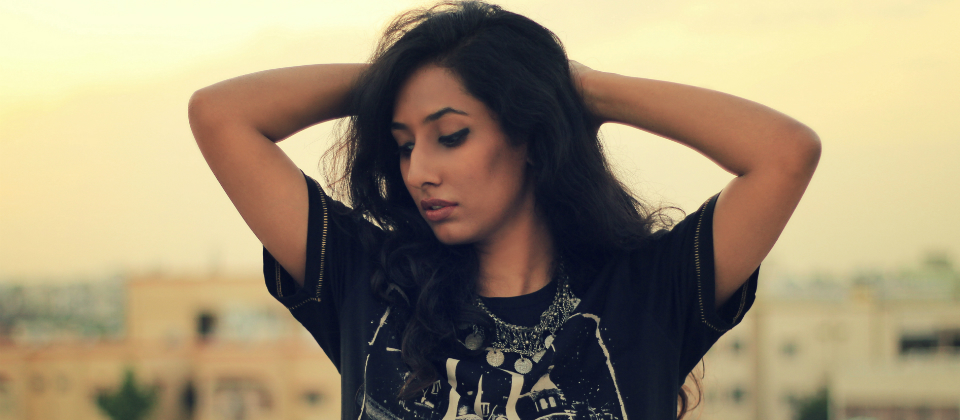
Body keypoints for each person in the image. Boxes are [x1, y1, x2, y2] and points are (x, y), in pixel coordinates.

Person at [188, 1, 820, 419]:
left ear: (531, 136)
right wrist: (401, 78)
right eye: (404, 144)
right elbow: (221, 116)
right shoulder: (371, 285)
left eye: (451, 135)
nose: (418, 170)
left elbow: (785, 153)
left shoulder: (648, 292)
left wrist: (579, 88)